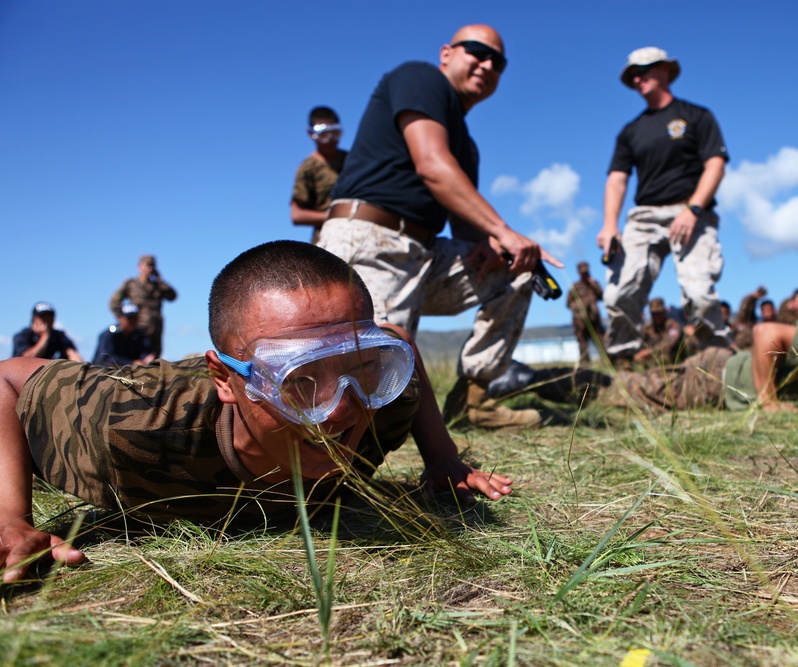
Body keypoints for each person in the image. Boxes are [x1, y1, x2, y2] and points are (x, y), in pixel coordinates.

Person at [0, 240, 513, 584]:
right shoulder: (131, 425)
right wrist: (9, 515)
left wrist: (443, 458)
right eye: (302, 382)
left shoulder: (385, 402)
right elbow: (6, 376)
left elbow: (399, 342)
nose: (340, 412)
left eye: (362, 366)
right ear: (226, 379)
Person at [317, 24, 561, 430]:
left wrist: (496, 246)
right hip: (371, 242)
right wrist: (503, 230)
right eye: (477, 52)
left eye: (497, 61)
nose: (486, 64)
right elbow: (432, 167)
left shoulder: (465, 145)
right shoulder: (421, 78)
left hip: (422, 254)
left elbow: (467, 228)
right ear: (447, 53)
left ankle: (475, 402)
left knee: (520, 271)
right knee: (372, 383)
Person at [495, 310, 798, 414]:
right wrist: (767, 402)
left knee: (624, 391)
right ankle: (521, 378)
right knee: (618, 394)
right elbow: (769, 332)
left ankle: (524, 381)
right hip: (714, 380)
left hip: (721, 383)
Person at [599, 46, 730, 368]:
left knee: (699, 294)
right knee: (618, 294)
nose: (638, 78)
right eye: (633, 75)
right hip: (645, 217)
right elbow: (617, 179)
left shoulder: (697, 116)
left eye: (644, 70)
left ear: (666, 71)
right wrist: (609, 224)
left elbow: (715, 164)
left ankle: (717, 362)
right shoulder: (630, 132)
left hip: (691, 213)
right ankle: (623, 362)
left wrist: (693, 210)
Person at [290, 106, 349, 244]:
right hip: (328, 240)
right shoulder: (308, 168)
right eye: (323, 134)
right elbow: (297, 215)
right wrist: (336, 216)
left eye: (335, 133)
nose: (329, 139)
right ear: (311, 133)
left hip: (361, 234)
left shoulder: (353, 160)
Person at [109, 255, 178, 359]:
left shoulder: (159, 286)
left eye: (152, 266)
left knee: (155, 360)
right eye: (147, 266)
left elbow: (172, 296)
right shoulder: (131, 284)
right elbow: (114, 302)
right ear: (140, 267)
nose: (150, 269)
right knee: (138, 358)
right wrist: (123, 319)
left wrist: (161, 280)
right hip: (139, 328)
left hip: (156, 328)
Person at [11, 302, 82, 361]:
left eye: (50, 318)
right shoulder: (24, 335)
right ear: (34, 319)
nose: (47, 322)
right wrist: (45, 336)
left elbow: (73, 355)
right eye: (44, 318)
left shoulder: (59, 336)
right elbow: (24, 361)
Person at [92, 302, 154, 367]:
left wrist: (147, 359)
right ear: (120, 318)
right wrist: (131, 363)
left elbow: (146, 353)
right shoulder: (110, 334)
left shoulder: (140, 336)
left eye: (134, 318)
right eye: (129, 318)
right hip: (103, 371)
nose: (132, 321)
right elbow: (105, 358)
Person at [567, 261, 604, 364]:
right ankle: (585, 367)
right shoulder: (575, 286)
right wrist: (578, 308)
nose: (585, 274)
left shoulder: (594, 284)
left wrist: (593, 284)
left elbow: (601, 296)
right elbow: (568, 303)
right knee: (583, 345)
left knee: (601, 342)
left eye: (586, 272)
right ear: (578, 273)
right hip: (580, 322)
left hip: (594, 319)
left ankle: (606, 362)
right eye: (583, 273)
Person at [634, 297, 686, 367]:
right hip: (652, 358)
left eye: (659, 313)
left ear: (664, 312)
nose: (656, 316)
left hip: (673, 358)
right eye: (654, 314)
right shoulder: (647, 328)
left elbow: (668, 344)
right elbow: (643, 345)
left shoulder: (673, 326)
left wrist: (649, 352)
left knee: (663, 358)